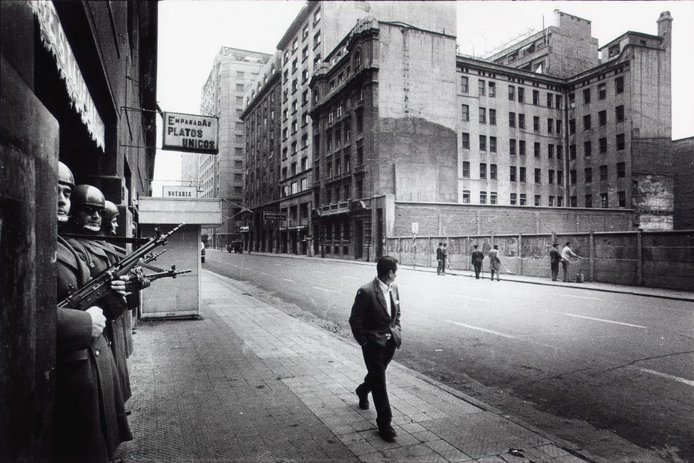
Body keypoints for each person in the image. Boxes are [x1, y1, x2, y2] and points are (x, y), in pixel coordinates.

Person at [55, 163, 132, 462]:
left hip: (93, 356)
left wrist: (118, 296)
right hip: (70, 367)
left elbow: (94, 298)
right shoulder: (58, 243)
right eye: (55, 191)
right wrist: (82, 323)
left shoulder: (65, 243)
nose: (61, 200)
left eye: (66, 193)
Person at [65, 185, 134, 403]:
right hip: (86, 333)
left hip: (106, 326)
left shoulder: (101, 245)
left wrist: (125, 287)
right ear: (74, 211)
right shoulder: (71, 247)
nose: (95, 216)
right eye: (88, 210)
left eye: (99, 212)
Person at [349, 256, 402, 442]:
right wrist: (364, 343)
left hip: (390, 343)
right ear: (390, 273)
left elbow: (397, 313)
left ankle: (362, 390)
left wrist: (397, 331)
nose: (397, 275)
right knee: (380, 382)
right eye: (396, 271)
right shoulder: (366, 291)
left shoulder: (394, 288)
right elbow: (355, 320)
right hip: (372, 344)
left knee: (376, 375)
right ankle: (385, 424)